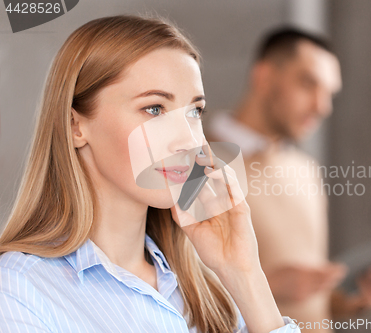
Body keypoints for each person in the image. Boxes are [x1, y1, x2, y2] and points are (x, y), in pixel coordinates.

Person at [0, 16, 301, 333]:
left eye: (195, 111)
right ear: (76, 126)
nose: (188, 140)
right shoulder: (19, 288)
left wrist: (244, 272)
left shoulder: (211, 292)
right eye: (154, 109)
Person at [207, 28, 371, 332]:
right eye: (308, 84)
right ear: (265, 77)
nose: (322, 107)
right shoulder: (199, 163)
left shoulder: (306, 170)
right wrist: (265, 284)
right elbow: (175, 288)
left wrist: (353, 300)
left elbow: (311, 304)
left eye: (329, 93)